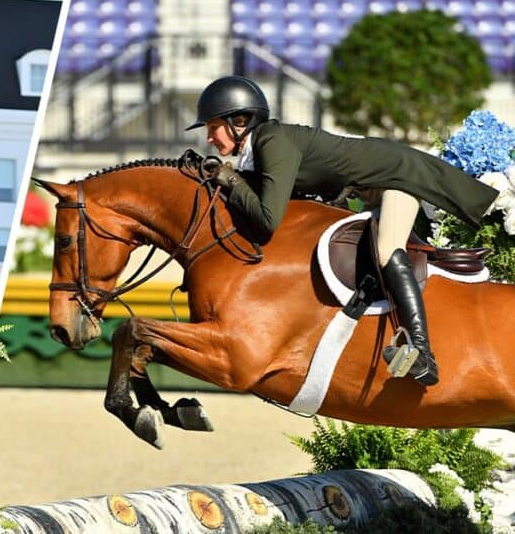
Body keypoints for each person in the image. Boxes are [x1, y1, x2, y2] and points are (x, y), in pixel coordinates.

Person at [186, 75, 499, 387]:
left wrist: (232, 181)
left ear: (239, 122)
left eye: (213, 127)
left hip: (396, 179)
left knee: (387, 249)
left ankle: (421, 352)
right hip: (367, 191)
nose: (209, 138)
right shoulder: (259, 148)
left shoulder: (272, 140)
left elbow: (267, 218)